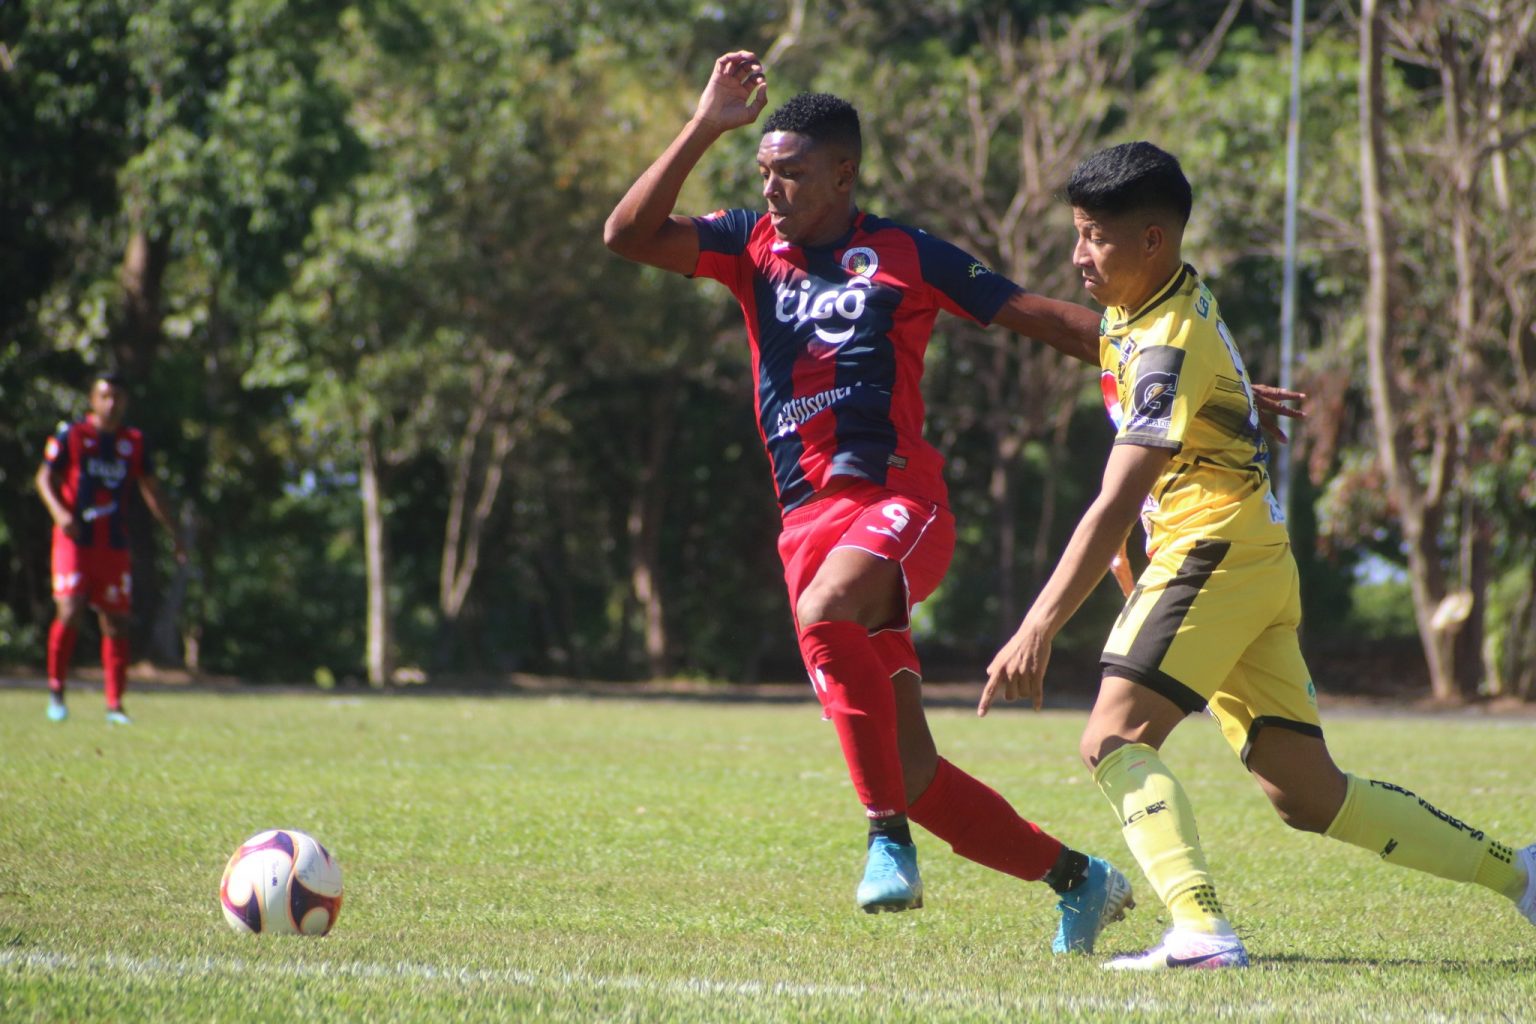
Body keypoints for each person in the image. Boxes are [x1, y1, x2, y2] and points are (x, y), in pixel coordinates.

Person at [601, 50, 1152, 952]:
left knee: (829, 617)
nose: (772, 187)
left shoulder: (906, 253)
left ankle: (884, 838)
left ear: (843, 173)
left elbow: (1034, 315)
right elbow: (627, 235)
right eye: (764, 171)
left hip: (899, 503)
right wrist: (706, 124)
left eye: (792, 172)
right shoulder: (748, 245)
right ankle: (1079, 880)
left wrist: (1181, 364)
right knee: (911, 769)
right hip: (806, 526)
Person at [980, 141, 1536, 968]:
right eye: (1078, 233)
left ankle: (1201, 931)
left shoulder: (1165, 343)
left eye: (1094, 237)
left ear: (1152, 240)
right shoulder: (1154, 299)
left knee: (1113, 737)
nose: (1078, 255)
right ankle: (1522, 875)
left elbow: (1116, 499)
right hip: (1251, 555)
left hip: (1211, 549)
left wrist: (1037, 625)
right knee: (1307, 793)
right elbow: (1092, 336)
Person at [36, 371, 186, 725]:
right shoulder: (72, 435)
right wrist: (60, 513)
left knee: (116, 621)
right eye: (104, 396)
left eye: (117, 397)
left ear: (125, 401)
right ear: (92, 399)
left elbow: (151, 490)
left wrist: (175, 532)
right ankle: (57, 690)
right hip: (75, 540)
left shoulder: (133, 442)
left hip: (113, 543)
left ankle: (115, 705)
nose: (111, 403)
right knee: (70, 609)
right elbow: (43, 478)